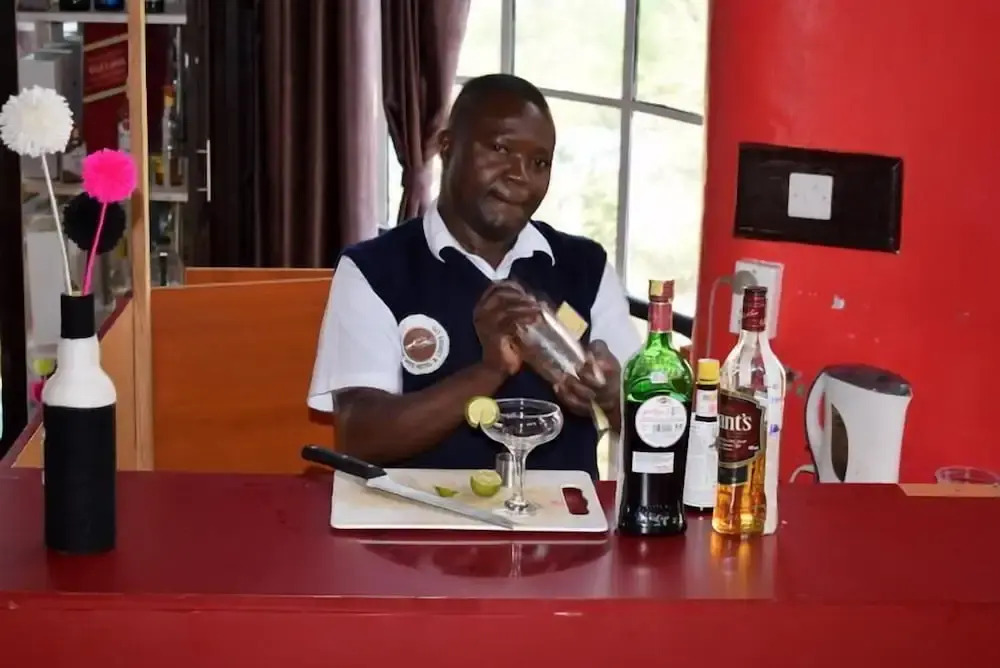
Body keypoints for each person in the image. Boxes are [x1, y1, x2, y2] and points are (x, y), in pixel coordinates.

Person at [308, 73, 640, 479]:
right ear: (447, 147)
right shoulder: (374, 270)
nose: (520, 174)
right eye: (500, 149)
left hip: (559, 516)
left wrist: (612, 397)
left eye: (539, 163)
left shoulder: (585, 266)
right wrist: (489, 371)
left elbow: (651, 421)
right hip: (421, 515)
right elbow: (360, 436)